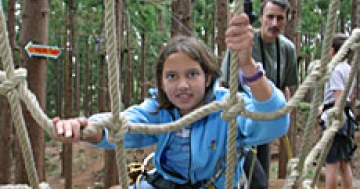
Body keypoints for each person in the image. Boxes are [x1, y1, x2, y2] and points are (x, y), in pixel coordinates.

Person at [52, 13, 290, 189]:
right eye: (172, 76)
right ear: (162, 82)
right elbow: (123, 123)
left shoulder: (225, 108)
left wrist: (248, 67)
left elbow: (274, 121)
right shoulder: (160, 110)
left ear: (208, 77)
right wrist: (89, 128)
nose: (182, 84)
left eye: (192, 74)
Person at [220, 0, 298, 188]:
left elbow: (285, 87)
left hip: (266, 118)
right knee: (256, 179)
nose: (274, 23)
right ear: (261, 17)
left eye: (280, 18)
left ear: (286, 19)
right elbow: (223, 84)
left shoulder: (287, 48)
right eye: (270, 17)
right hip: (241, 120)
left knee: (260, 176)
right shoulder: (243, 42)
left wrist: (282, 118)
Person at [318, 33, 357, 189]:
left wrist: (329, 118)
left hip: (336, 119)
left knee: (331, 163)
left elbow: (339, 98)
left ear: (334, 51)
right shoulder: (349, 69)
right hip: (348, 118)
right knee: (344, 163)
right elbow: (350, 96)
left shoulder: (335, 70)